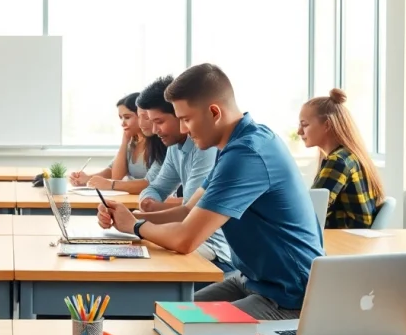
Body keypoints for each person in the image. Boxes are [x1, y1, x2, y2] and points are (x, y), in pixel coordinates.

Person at [97, 63, 324, 320]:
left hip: (288, 296)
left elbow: (185, 240)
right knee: (162, 315)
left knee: (179, 324)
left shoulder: (246, 154)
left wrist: (135, 227)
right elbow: (187, 211)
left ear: (214, 112)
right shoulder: (237, 145)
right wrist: (129, 217)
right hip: (251, 280)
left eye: (186, 119)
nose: (183, 129)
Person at [134, 75, 234, 273]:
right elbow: (163, 192)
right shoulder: (176, 147)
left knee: (147, 264)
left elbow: (189, 217)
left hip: (213, 250)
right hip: (193, 240)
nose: (154, 130)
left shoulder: (210, 147)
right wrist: (146, 207)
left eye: (159, 122)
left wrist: (138, 223)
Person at [298, 88, 385, 229]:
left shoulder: (337, 161)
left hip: (344, 242)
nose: (299, 131)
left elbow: (310, 211)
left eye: (305, 124)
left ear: (327, 125)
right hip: (356, 242)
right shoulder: (349, 156)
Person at [69, 93, 156, 194]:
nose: (122, 123)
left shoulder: (157, 144)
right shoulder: (132, 142)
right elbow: (113, 172)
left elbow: (117, 179)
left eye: (127, 117)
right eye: (121, 118)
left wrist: (110, 184)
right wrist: (88, 179)